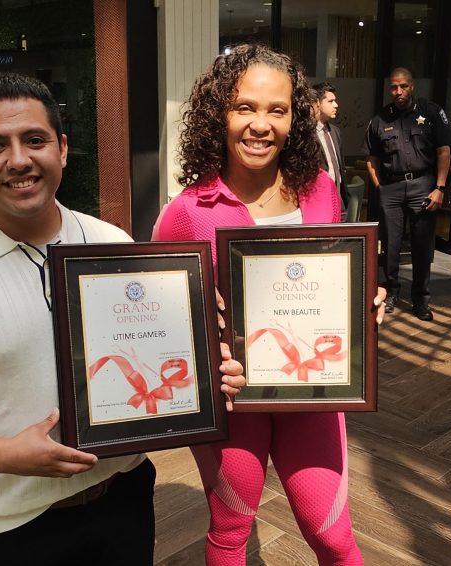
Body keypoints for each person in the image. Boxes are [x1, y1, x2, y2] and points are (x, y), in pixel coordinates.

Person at [0, 73, 244, 566]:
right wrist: (4, 455)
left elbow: (161, 349)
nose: (19, 160)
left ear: (62, 149)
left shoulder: (112, 244)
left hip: (125, 489)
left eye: (35, 140)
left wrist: (208, 373)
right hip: (15, 522)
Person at [153, 44, 385, 565]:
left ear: (293, 119)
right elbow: (162, 311)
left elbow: (339, 278)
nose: (260, 125)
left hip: (315, 393)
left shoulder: (320, 191)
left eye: (276, 110)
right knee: (231, 528)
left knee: (331, 535)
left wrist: (366, 302)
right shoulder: (188, 211)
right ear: (221, 114)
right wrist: (196, 324)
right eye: (245, 107)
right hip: (233, 403)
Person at [362, 67, 451, 321]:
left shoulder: (431, 112)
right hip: (391, 188)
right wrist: (380, 188)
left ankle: (420, 299)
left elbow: (443, 151)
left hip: (423, 186)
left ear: (412, 86)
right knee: (390, 245)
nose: (398, 91)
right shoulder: (380, 118)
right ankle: (391, 292)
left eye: (403, 86)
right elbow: (371, 157)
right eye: (393, 87)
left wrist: (440, 188)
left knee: (423, 246)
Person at [312, 82, 350, 210]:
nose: (336, 105)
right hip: (318, 203)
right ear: (317, 103)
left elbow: (341, 166)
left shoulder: (335, 131)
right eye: (330, 101)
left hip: (339, 200)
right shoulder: (307, 133)